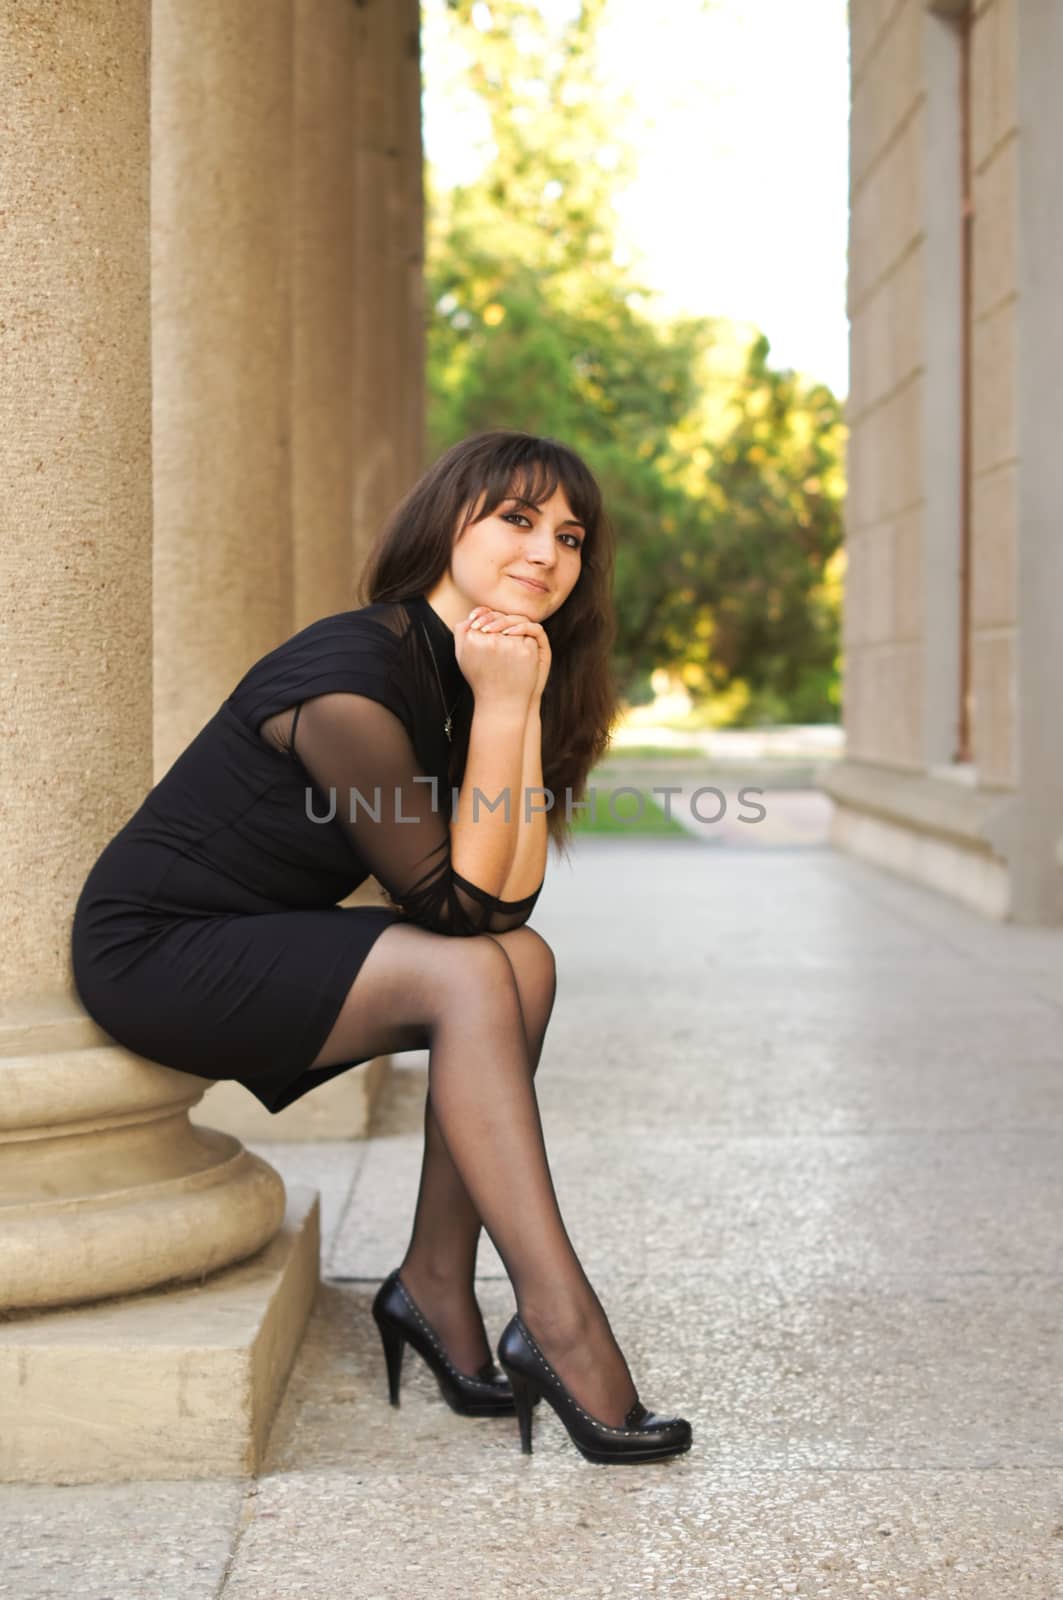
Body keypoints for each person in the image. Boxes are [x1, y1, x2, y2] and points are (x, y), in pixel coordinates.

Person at [71, 428, 692, 1464]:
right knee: (470, 970)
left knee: (520, 963)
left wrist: (512, 703)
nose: (548, 552)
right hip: (160, 950)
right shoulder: (351, 673)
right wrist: (504, 701)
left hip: (262, 932)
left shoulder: (478, 668)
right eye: (517, 518)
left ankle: (434, 1285)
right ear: (446, 521)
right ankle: (559, 1321)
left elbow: (508, 905)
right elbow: (459, 913)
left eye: (571, 536)